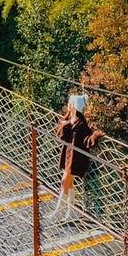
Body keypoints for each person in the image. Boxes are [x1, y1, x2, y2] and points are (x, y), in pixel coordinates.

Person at [49, 93, 103, 222]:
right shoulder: (72, 120)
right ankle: (70, 212)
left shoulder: (81, 122)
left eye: (70, 104)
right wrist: (67, 123)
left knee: (64, 183)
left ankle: (58, 212)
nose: (68, 105)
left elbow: (86, 140)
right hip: (69, 155)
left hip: (75, 158)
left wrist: (95, 136)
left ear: (74, 106)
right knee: (69, 184)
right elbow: (61, 135)